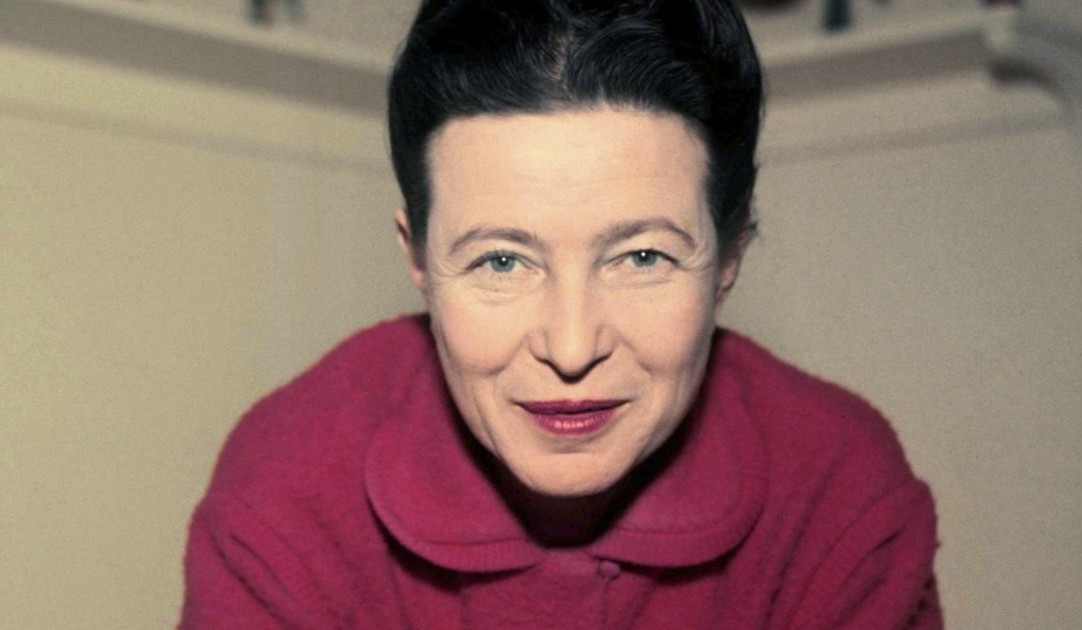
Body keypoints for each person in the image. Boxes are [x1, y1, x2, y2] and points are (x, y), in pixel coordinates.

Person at [179, 0, 941, 627]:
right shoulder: (288, 493)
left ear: (730, 256)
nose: (572, 348)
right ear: (418, 259)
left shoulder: (839, 496)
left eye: (642, 257)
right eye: (501, 262)